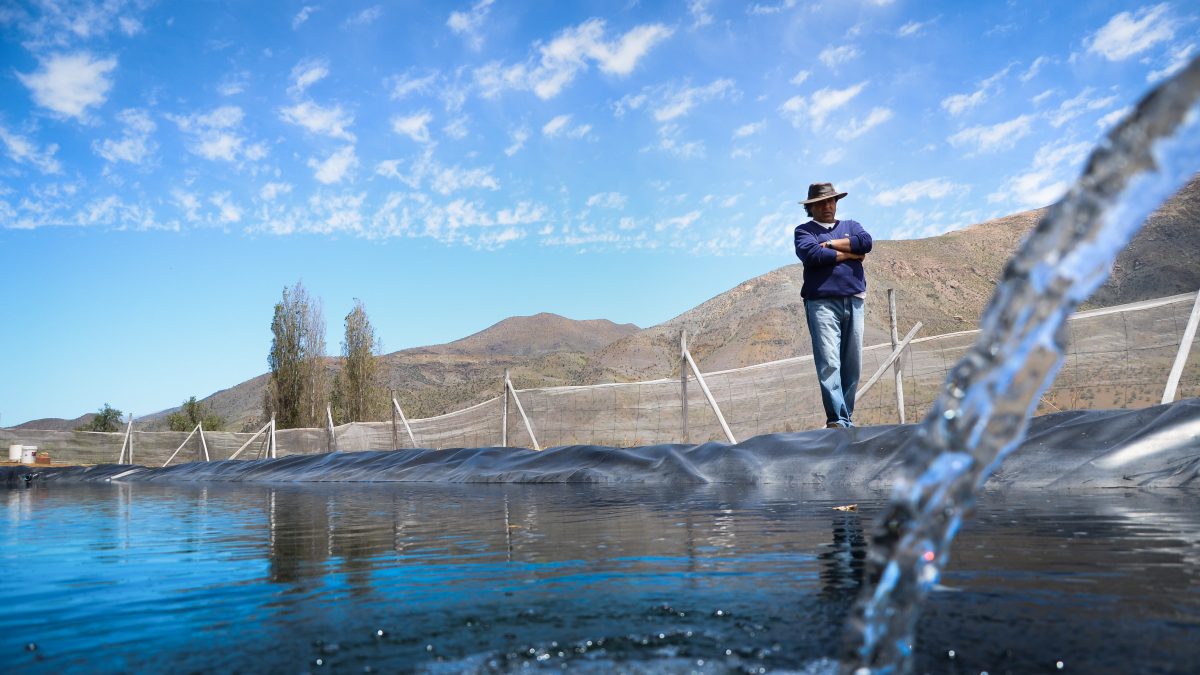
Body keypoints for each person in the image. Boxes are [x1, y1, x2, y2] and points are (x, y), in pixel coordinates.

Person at [793, 182, 873, 428]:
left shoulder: (852, 225)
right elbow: (812, 255)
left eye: (831, 201)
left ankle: (846, 417)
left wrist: (829, 244)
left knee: (852, 364)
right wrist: (850, 253)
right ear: (811, 207)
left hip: (854, 300)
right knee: (829, 362)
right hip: (822, 303)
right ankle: (837, 420)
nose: (827, 206)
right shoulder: (804, 231)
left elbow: (866, 243)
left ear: (836, 202)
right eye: (821, 202)